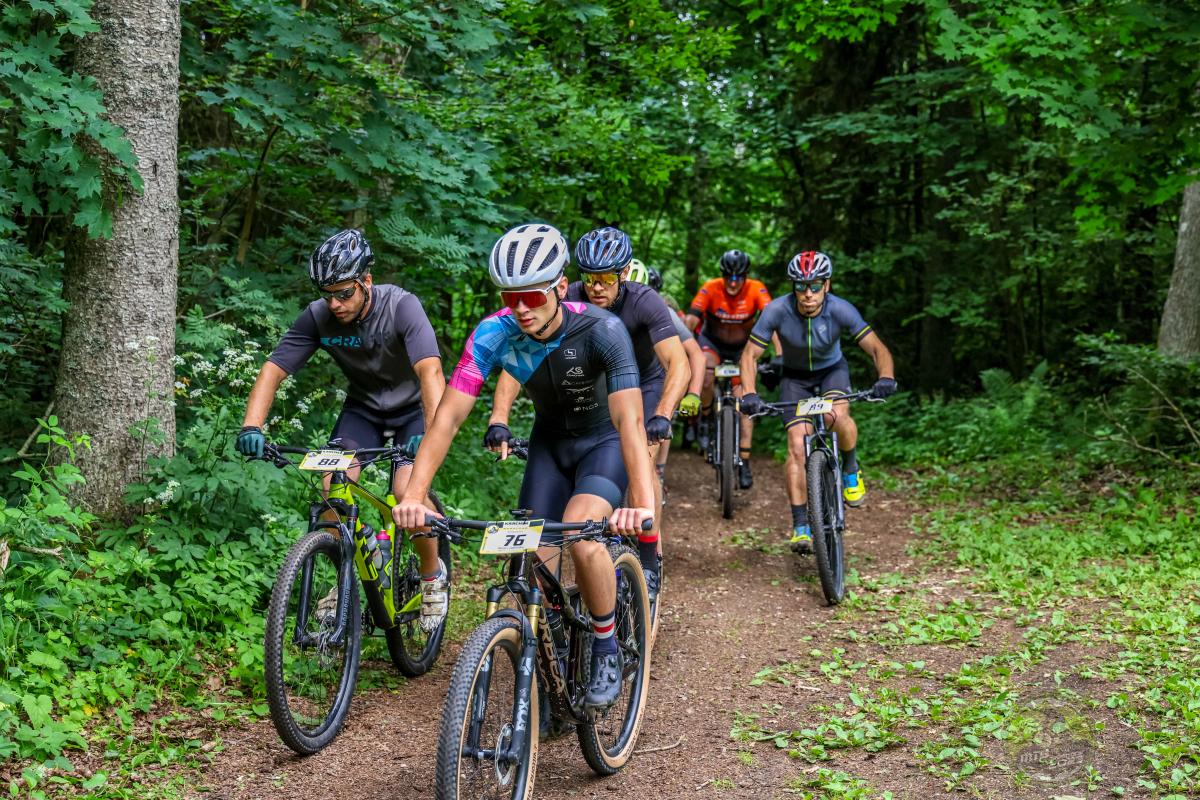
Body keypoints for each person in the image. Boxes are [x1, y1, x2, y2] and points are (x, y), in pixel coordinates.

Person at [393, 222, 655, 710]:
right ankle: (553, 660)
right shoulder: (494, 332)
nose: (520, 308)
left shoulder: (604, 329)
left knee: (582, 534)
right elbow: (447, 419)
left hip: (603, 443)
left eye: (532, 296)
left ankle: (605, 645)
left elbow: (630, 423)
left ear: (560, 287)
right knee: (537, 556)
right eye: (510, 297)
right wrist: (413, 495)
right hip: (548, 445)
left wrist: (639, 505)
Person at [236, 229, 449, 629]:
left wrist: (433, 431)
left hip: (412, 413)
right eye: (327, 294)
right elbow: (272, 370)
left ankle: (431, 575)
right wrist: (252, 425)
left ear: (366, 281)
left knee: (407, 492)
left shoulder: (402, 307)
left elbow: (431, 373)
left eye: (344, 293)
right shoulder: (319, 316)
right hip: (363, 411)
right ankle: (347, 577)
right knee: (332, 485)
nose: (334, 303)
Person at [488, 233, 685, 614]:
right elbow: (522, 358)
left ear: (623, 274)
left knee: (641, 454)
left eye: (606, 278)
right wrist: (500, 417)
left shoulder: (644, 301)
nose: (596, 286)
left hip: (643, 383)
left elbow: (678, 363)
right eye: (589, 277)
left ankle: (649, 555)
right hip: (592, 387)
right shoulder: (565, 298)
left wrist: (662, 412)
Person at [737, 251, 896, 553]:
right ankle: (801, 526)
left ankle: (850, 470)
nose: (808, 294)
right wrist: (749, 393)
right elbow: (750, 356)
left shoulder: (840, 309)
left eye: (815, 286)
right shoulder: (776, 310)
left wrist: (886, 377)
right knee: (797, 445)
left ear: (827, 285)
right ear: (793, 287)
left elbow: (877, 348)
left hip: (831, 373)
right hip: (794, 379)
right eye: (800, 286)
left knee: (837, 416)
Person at [684, 249, 774, 489]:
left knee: (745, 399)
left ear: (746, 276)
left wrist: (780, 357)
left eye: (738, 277)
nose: (733, 283)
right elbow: (691, 320)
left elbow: (773, 322)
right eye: (728, 277)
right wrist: (684, 345)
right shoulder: (711, 288)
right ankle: (705, 418)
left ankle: (744, 461)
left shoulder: (756, 289)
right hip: (712, 343)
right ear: (722, 276)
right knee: (705, 375)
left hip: (742, 348)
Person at [637, 265, 705, 494]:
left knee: (659, 424)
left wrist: (693, 394)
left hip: (657, 376)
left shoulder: (664, 311)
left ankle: (659, 471)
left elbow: (695, 354)